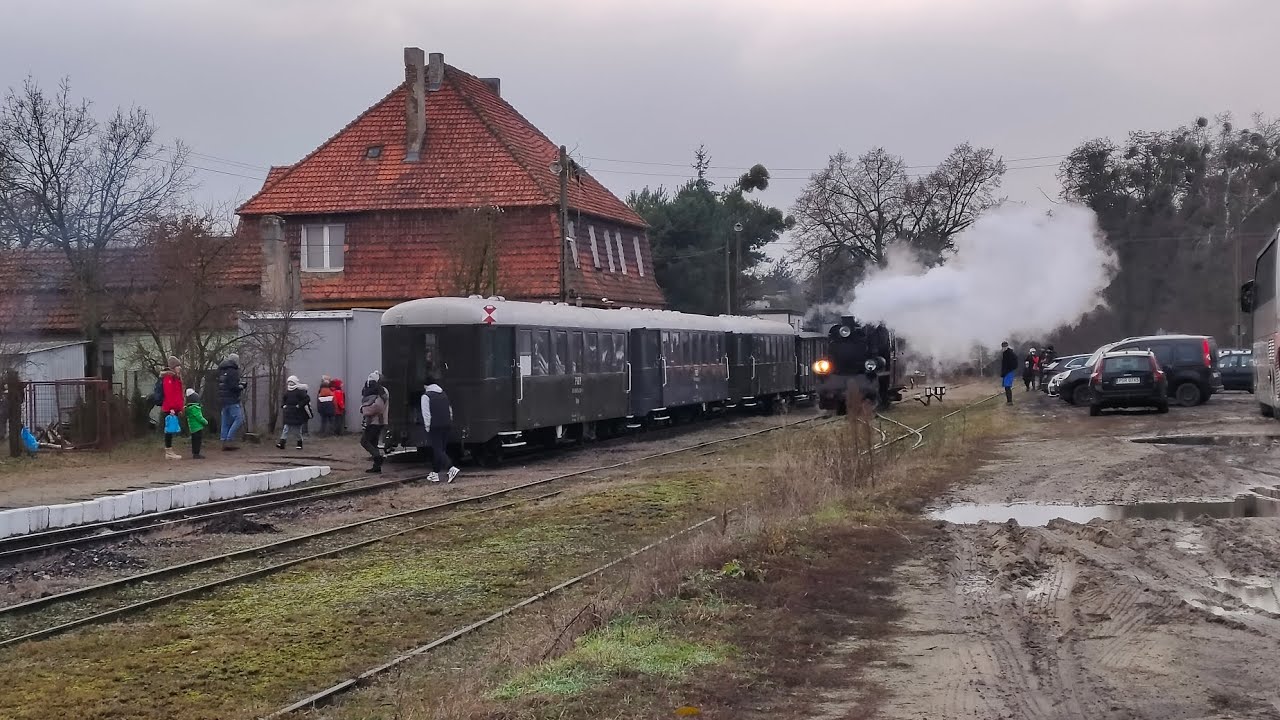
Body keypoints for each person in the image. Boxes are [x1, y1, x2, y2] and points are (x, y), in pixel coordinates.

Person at [420, 375, 460, 483]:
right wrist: (450, 421)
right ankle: (435, 473)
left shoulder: (426, 396)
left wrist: (427, 427)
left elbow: (426, 414)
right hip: (446, 424)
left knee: (437, 450)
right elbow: (449, 409)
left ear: (425, 385)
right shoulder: (443, 393)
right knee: (441, 450)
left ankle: (451, 468)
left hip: (435, 426)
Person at [360, 372, 390, 473]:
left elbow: (378, 407)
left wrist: (364, 409)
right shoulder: (380, 391)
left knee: (364, 441)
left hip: (376, 421)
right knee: (373, 443)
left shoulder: (381, 391)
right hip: (377, 420)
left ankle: (378, 457)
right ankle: (377, 466)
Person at [217, 353, 246, 450]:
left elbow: (224, 385)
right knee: (239, 419)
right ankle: (229, 439)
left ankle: (224, 441)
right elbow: (233, 387)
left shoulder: (222, 370)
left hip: (223, 399)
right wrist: (241, 386)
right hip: (232, 399)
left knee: (225, 421)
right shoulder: (233, 371)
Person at [277, 375, 311, 450]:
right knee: (286, 429)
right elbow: (283, 400)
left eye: (292, 382)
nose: (290, 384)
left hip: (297, 414)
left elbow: (307, 399)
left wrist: (299, 405)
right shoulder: (287, 392)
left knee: (297, 430)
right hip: (289, 413)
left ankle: (299, 443)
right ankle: (282, 443)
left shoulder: (299, 392)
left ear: (295, 382)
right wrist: (283, 405)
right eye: (289, 382)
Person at [160, 357, 185, 460]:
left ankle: (169, 450)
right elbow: (169, 394)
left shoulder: (176, 378)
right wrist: (171, 408)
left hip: (174, 407)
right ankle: (168, 451)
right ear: (173, 367)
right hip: (170, 408)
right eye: (178, 366)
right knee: (169, 429)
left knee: (171, 429)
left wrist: (180, 406)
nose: (179, 368)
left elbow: (178, 393)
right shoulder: (169, 378)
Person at [185, 388, 209, 459]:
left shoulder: (188, 408)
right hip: (197, 427)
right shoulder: (195, 408)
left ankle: (195, 453)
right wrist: (205, 422)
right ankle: (196, 453)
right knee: (197, 441)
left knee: (194, 440)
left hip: (192, 427)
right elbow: (199, 417)